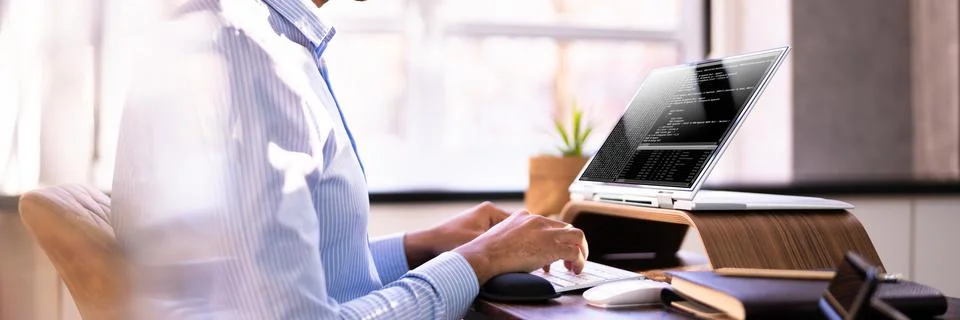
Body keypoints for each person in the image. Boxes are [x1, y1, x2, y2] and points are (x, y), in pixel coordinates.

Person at [110, 0, 589, 319]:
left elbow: (261, 270)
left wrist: (420, 245)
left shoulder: (243, 31)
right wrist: (479, 259)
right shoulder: (250, 54)